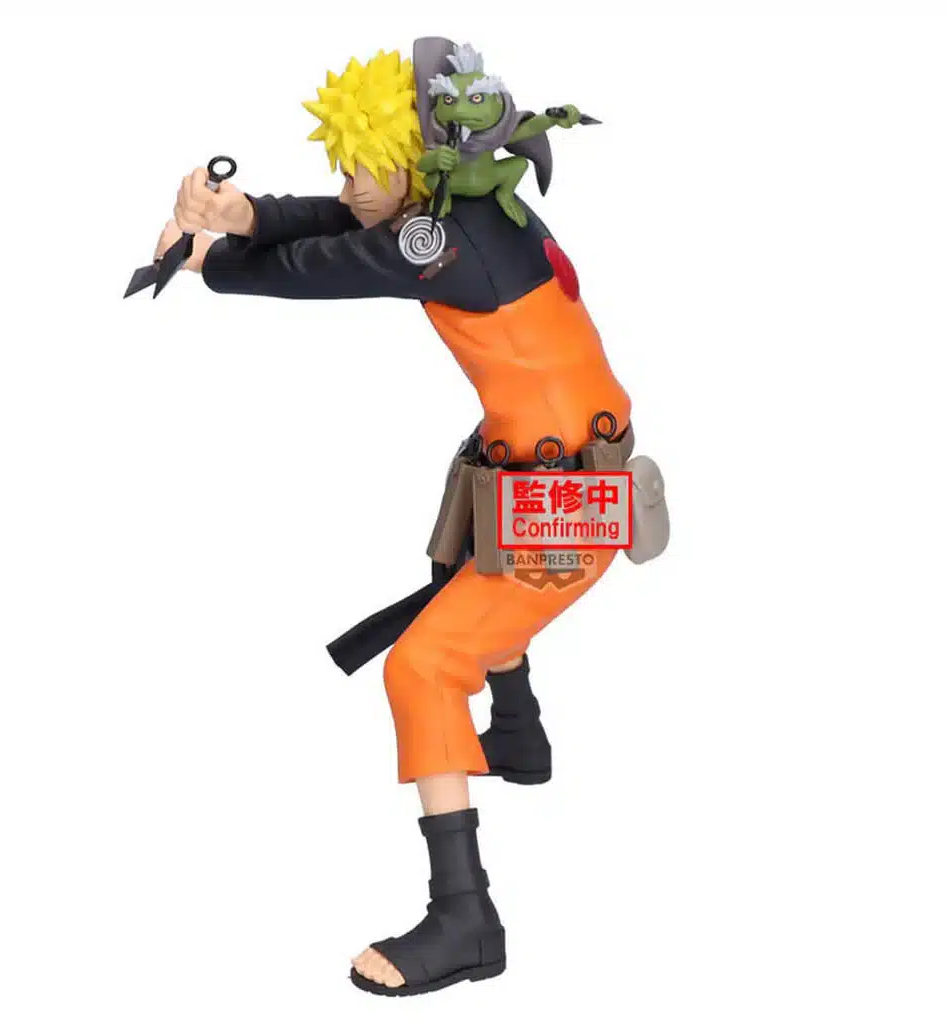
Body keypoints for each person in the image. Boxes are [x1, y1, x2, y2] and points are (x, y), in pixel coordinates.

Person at [155, 44, 632, 997]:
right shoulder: (467, 209)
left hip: (567, 503)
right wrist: (243, 215)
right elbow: (348, 219)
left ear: (415, 166)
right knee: (467, 577)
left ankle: (466, 919)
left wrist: (211, 260)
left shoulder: (443, 244)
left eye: (360, 166)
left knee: (423, 666)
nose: (347, 186)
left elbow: (326, 265)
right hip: (545, 463)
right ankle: (519, 736)